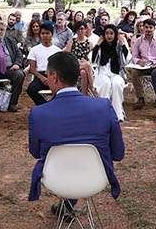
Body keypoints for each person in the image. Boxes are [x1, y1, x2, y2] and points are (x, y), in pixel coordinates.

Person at [27, 51, 125, 210]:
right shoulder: (103, 106)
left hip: (56, 179)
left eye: (47, 75)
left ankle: (67, 204)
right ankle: (67, 205)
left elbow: (36, 152)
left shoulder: (38, 114)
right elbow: (118, 153)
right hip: (97, 178)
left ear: (54, 77)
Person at [91, 25, 130, 121]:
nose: (109, 36)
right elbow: (92, 59)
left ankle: (118, 114)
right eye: (107, 33)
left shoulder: (118, 46)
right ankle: (103, 113)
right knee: (106, 84)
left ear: (115, 34)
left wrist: (123, 43)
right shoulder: (100, 46)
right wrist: (98, 44)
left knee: (116, 84)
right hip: (102, 73)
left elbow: (127, 59)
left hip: (116, 73)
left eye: (111, 33)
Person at [0, 21, 25, 112]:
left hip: (10, 68)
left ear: (5, 31)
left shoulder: (11, 41)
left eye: (2, 30)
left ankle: (12, 103)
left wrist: (17, 64)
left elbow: (19, 54)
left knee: (20, 75)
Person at [127, 18, 156, 109]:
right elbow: (134, 57)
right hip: (143, 67)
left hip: (155, 66)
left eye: (150, 27)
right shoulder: (138, 41)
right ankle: (140, 98)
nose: (148, 29)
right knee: (134, 72)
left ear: (154, 28)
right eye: (146, 27)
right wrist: (139, 61)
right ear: (143, 28)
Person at [27, 23, 62, 105]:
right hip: (39, 77)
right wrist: (42, 78)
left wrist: (50, 78)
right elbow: (32, 68)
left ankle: (50, 105)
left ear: (52, 34)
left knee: (61, 91)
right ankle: (45, 105)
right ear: (40, 35)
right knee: (31, 90)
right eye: (43, 33)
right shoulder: (34, 50)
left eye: (47, 33)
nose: (45, 36)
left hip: (54, 77)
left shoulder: (57, 51)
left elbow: (60, 68)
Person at [64, 21, 95, 95]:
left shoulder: (89, 43)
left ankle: (84, 95)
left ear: (85, 30)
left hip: (85, 66)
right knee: (87, 65)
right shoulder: (72, 41)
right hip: (74, 65)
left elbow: (92, 58)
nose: (80, 31)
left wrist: (86, 61)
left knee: (83, 72)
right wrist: (77, 61)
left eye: (82, 29)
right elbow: (67, 56)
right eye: (78, 29)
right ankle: (92, 88)